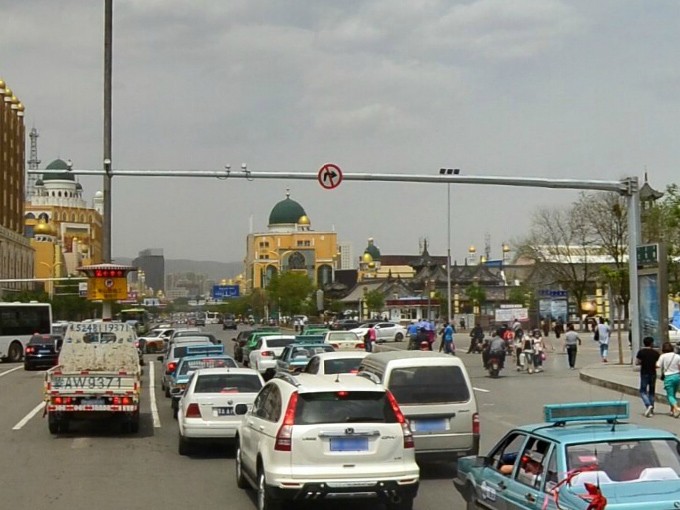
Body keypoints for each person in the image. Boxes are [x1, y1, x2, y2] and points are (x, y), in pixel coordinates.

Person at [636, 336, 660, 417]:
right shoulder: (655, 353)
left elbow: (637, 362)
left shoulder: (641, 352)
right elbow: (657, 364)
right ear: (651, 343)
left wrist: (642, 362)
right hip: (653, 373)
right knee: (651, 392)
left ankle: (648, 404)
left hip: (644, 373)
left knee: (643, 391)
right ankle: (651, 409)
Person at [657, 342, 680, 417]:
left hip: (668, 377)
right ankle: (672, 410)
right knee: (674, 394)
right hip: (677, 376)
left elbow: (658, 365)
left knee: (670, 395)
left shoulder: (663, 356)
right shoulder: (677, 356)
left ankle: (676, 408)